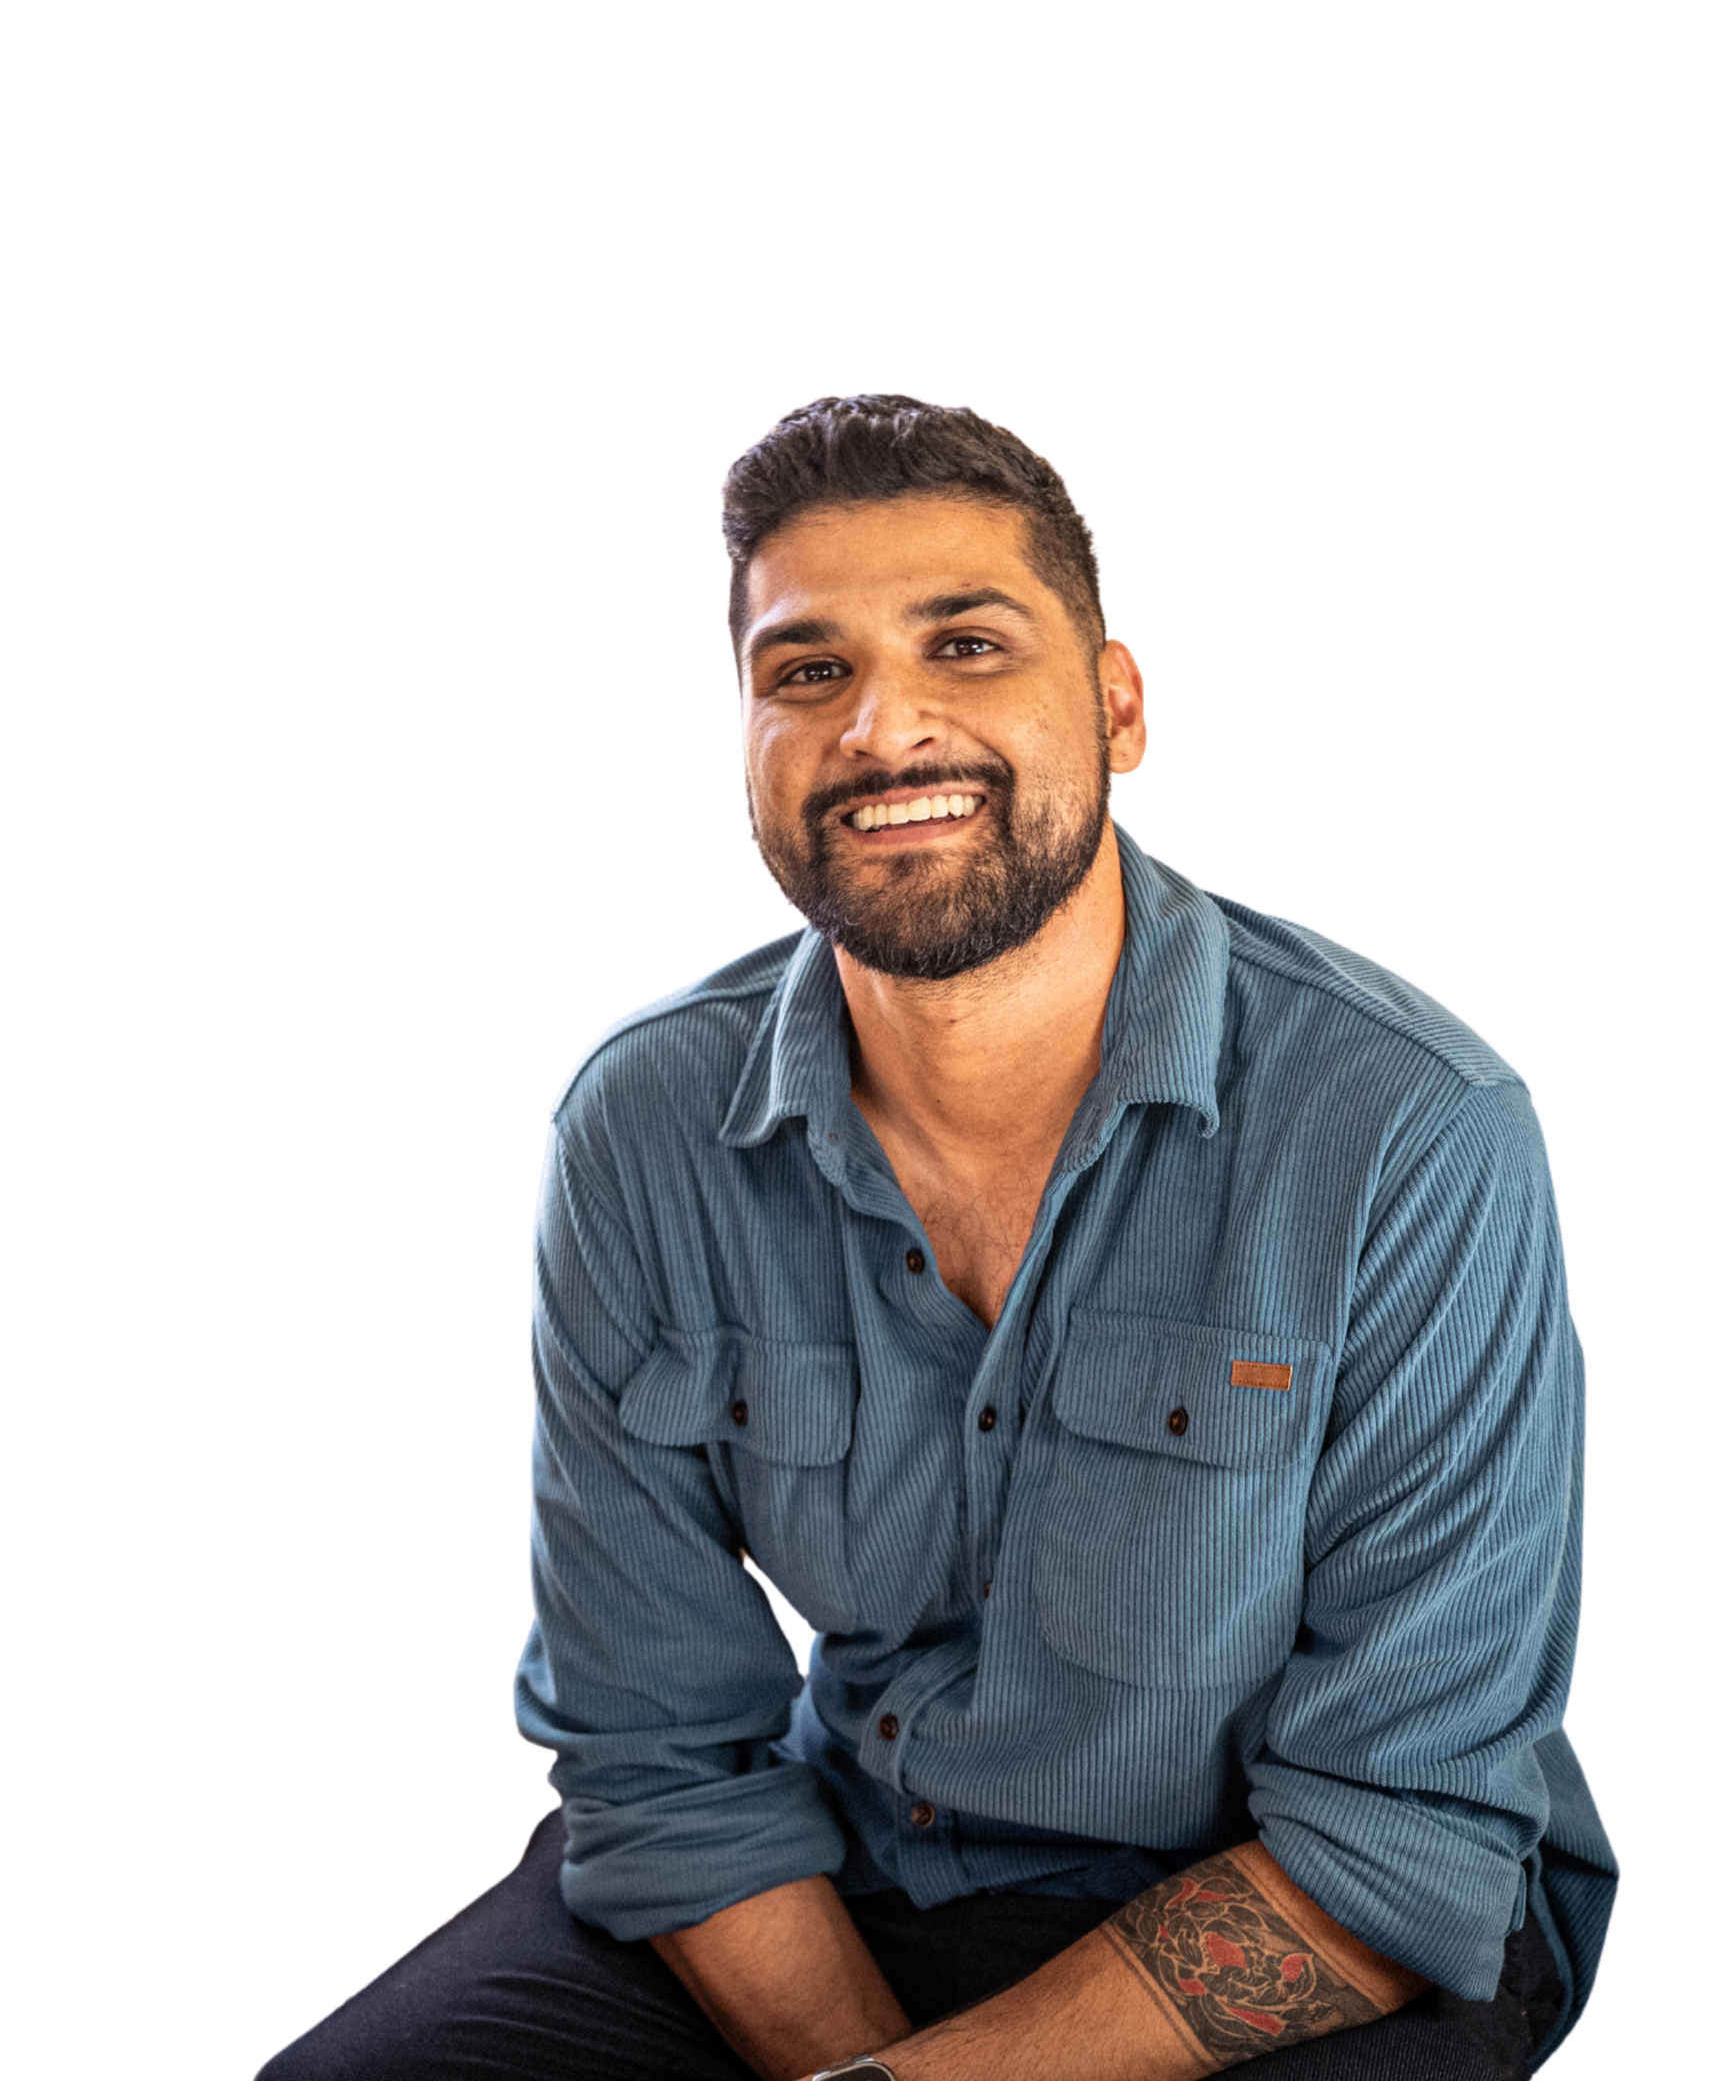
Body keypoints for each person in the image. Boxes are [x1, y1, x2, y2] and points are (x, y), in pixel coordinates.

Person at [256, 394, 1618, 2080]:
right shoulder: (637, 1124)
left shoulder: (1408, 1123)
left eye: (965, 645)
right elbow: (657, 1747)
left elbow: (1393, 1834)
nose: (884, 726)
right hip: (832, 1873)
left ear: (1117, 707)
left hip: (1292, 1921)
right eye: (804, 670)